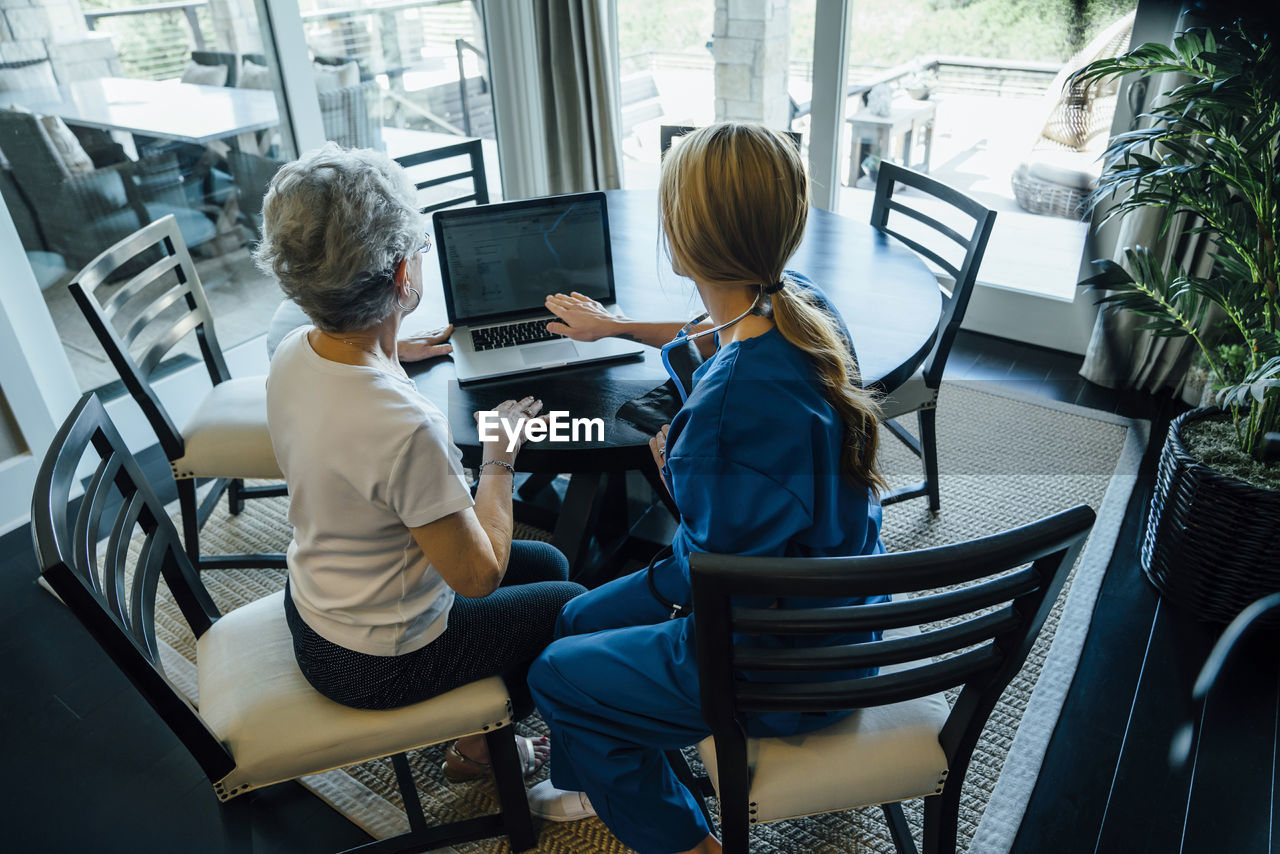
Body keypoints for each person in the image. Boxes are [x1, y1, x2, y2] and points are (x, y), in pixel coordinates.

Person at [526, 123, 889, 854]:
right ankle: (590, 778)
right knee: (575, 619)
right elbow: (713, 326)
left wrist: (676, 475)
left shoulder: (729, 412)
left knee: (555, 674)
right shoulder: (800, 303)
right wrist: (617, 327)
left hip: (777, 660)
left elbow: (715, 576)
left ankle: (693, 844)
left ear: (681, 241)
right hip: (837, 607)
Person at [257, 143, 585, 781]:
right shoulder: (407, 430)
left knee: (545, 559)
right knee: (564, 602)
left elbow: (349, 403)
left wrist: (391, 350)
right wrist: (498, 458)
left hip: (317, 602)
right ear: (403, 274)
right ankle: (479, 748)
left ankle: (482, 735)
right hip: (377, 659)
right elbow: (479, 578)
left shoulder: (293, 349)